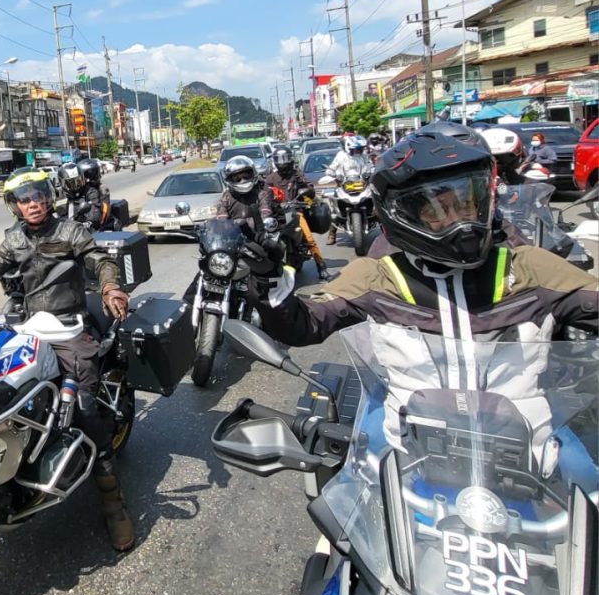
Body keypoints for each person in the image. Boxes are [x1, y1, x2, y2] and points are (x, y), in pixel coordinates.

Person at [247, 122, 597, 400]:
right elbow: (303, 326)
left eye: (466, 203)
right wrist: (269, 281)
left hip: (534, 457)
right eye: (435, 210)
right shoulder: (377, 276)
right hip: (405, 451)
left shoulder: (530, 267)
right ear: (402, 215)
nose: (458, 220)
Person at [0, 171, 135, 551]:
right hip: (30, 326)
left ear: (49, 198)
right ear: (14, 206)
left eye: (38, 195)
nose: (33, 203)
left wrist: (111, 286)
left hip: (69, 327)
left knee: (83, 404)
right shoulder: (12, 240)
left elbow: (98, 260)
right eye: (24, 198)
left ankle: (112, 500)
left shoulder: (71, 231)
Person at [267, 147, 332, 281]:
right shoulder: (271, 178)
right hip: (276, 213)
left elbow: (309, 187)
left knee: (309, 239)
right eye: (280, 160)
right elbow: (263, 193)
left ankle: (322, 267)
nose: (283, 163)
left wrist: (307, 191)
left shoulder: (296, 174)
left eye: (285, 160)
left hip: (295, 211)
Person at [322, 135, 370, 245]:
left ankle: (385, 231)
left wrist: (370, 172)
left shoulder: (364, 156)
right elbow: (332, 168)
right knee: (334, 211)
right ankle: (332, 234)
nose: (359, 151)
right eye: (356, 149)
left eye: (361, 148)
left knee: (377, 200)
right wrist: (331, 173)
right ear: (349, 147)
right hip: (344, 185)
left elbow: (370, 165)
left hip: (361, 184)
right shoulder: (341, 156)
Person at [216, 154, 274, 240]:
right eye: (237, 178)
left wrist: (247, 223)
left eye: (246, 176)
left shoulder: (261, 194)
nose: (242, 181)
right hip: (235, 239)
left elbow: (265, 213)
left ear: (253, 173)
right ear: (229, 180)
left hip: (259, 235)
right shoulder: (226, 198)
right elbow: (221, 219)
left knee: (272, 247)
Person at [60, 158, 108, 230]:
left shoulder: (91, 191)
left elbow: (95, 211)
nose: (77, 186)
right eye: (72, 183)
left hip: (89, 231)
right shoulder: (63, 197)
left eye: (79, 181)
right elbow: (60, 216)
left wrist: (88, 223)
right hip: (69, 233)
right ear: (64, 184)